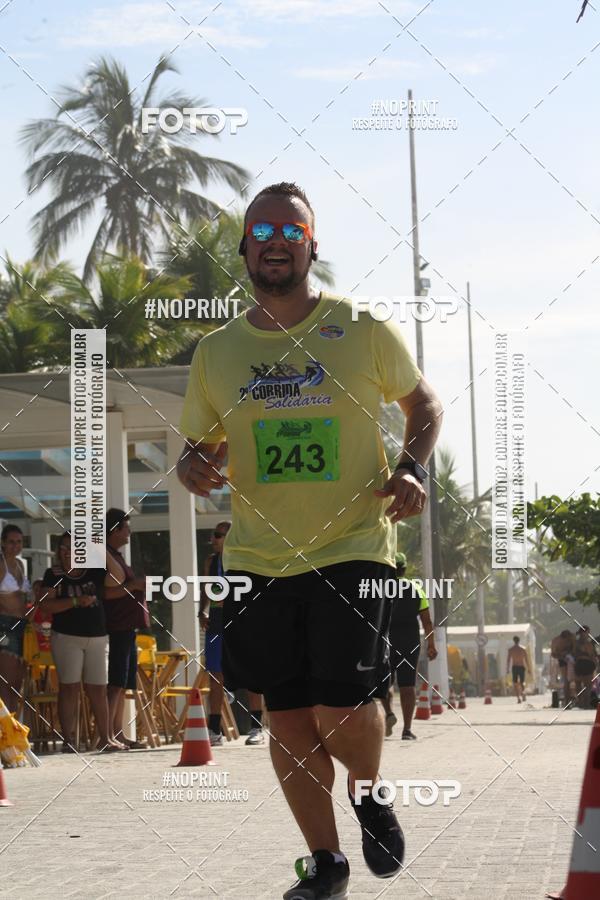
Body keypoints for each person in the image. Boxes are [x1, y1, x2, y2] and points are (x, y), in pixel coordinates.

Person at [177, 182, 442, 899]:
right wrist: (193, 465)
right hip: (259, 558)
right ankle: (325, 863)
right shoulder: (218, 352)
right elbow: (206, 447)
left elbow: (425, 403)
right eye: (262, 228)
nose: (275, 240)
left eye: (290, 231)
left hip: (355, 544)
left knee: (343, 708)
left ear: (310, 248)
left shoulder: (359, 329)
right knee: (287, 717)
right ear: (243, 246)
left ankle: (367, 789)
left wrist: (413, 467)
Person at [39, 532, 122, 752]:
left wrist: (101, 549)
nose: (68, 553)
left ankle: (105, 738)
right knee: (70, 687)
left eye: (73, 548)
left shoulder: (94, 571)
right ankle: (69, 740)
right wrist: (75, 601)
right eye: (64, 548)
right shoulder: (53, 573)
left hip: (98, 637)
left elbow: (119, 577)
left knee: (98, 688)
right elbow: (46, 605)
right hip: (67, 637)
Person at [200, 521, 265, 747]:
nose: (214, 539)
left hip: (242, 620)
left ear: (231, 538)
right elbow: (207, 589)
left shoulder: (245, 560)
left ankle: (257, 727)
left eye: (218, 535)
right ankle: (214, 730)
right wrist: (202, 611)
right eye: (214, 534)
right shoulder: (211, 561)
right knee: (215, 676)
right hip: (217, 621)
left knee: (252, 673)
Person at [103, 508, 150, 748]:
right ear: (115, 530)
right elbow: (105, 593)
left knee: (123, 685)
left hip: (129, 627)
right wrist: (134, 585)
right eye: (126, 527)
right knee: (116, 683)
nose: (129, 531)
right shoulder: (106, 557)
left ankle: (118, 733)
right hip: (118, 626)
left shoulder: (117, 556)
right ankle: (108, 734)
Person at [381, 553, 437, 740]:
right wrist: (431, 645)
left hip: (386, 641)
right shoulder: (416, 589)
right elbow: (427, 622)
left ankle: (389, 712)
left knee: (383, 681)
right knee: (407, 685)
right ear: (404, 569)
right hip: (409, 642)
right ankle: (406, 729)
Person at [0, 524, 30, 713]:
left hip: (22, 626)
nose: (15, 546)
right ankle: (5, 733)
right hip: (5, 625)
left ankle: (12, 731)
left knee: (17, 683)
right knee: (5, 681)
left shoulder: (19, 564)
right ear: (3, 543)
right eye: (11, 542)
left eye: (18, 542)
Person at [573, 626, 598, 709]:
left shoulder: (575, 642)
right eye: (587, 632)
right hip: (587, 664)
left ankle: (580, 703)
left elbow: (573, 654)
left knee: (578, 685)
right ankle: (586, 704)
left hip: (578, 664)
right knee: (588, 685)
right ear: (583, 633)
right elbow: (593, 656)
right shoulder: (588, 643)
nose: (588, 634)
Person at [550, 629, 576, 707]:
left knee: (569, 680)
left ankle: (569, 699)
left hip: (570, 660)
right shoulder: (556, 641)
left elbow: (575, 649)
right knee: (566, 681)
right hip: (564, 660)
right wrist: (562, 655)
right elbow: (553, 654)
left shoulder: (571, 638)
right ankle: (567, 700)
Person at [506, 636, 531, 703]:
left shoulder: (511, 650)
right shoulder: (523, 649)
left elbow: (508, 660)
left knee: (515, 683)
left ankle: (518, 698)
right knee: (522, 682)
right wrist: (529, 668)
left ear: (514, 641)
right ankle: (523, 693)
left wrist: (507, 669)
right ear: (519, 641)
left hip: (515, 667)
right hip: (521, 666)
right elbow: (526, 660)